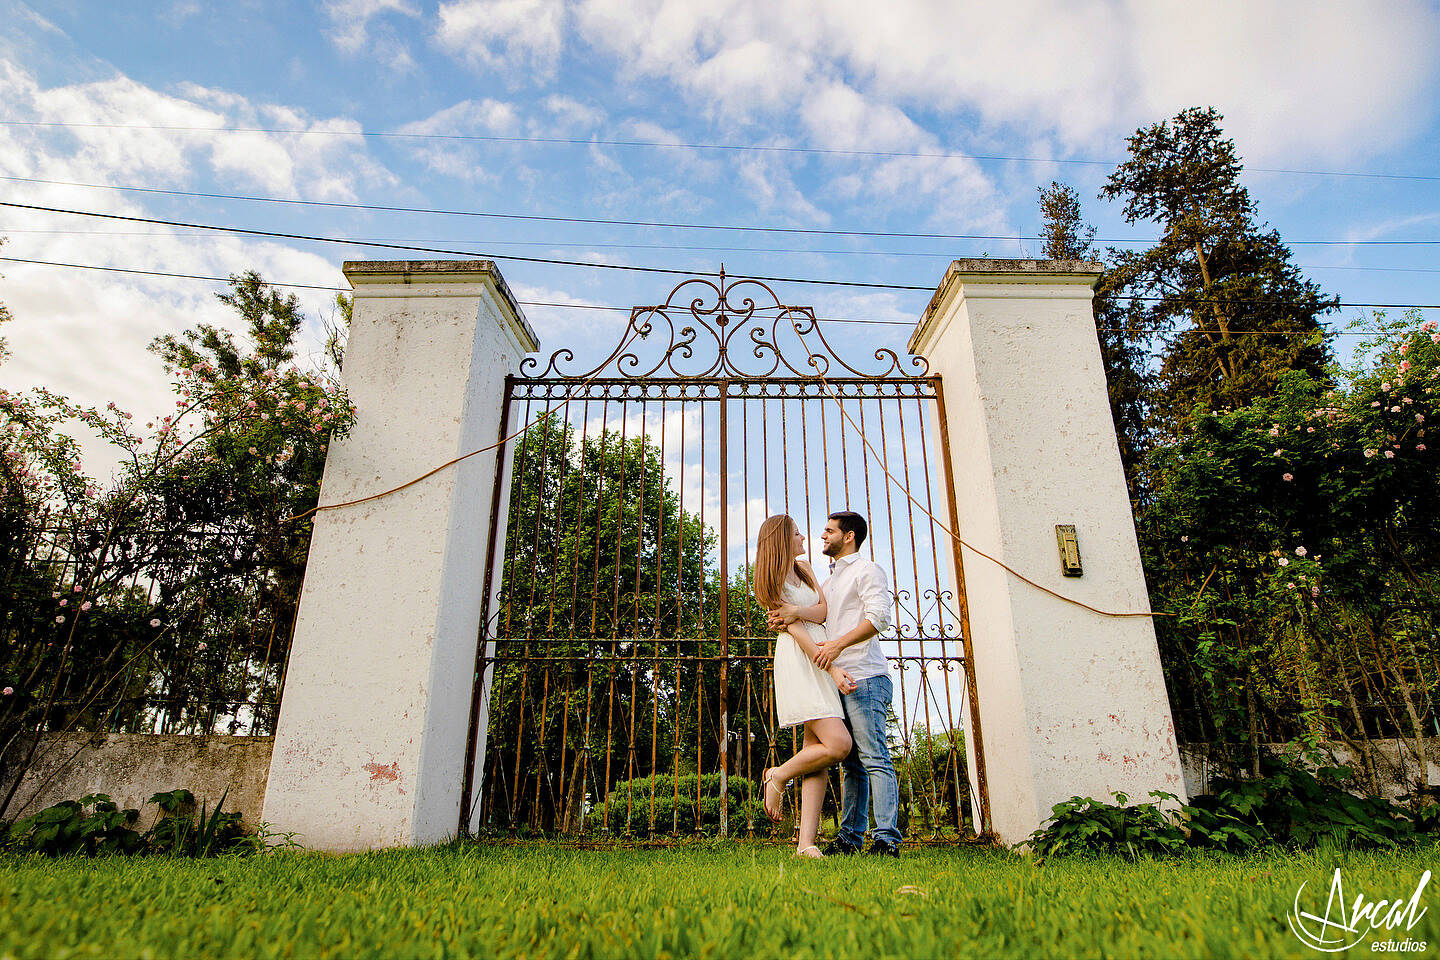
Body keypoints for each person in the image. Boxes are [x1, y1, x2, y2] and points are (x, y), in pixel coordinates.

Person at [768, 510, 901, 857]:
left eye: (829, 531)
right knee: (848, 762)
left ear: (849, 536)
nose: (820, 536)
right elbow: (818, 615)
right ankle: (849, 838)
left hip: (863, 673)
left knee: (872, 757)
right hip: (829, 675)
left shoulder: (866, 570)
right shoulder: (825, 580)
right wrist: (796, 617)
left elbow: (879, 616)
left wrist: (837, 645)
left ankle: (886, 837)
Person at [752, 513, 856, 858]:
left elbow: (823, 611)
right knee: (839, 744)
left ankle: (805, 844)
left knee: (818, 753)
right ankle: (777, 776)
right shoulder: (769, 580)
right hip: (801, 658)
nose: (803, 538)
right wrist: (830, 666)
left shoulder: (807, 568)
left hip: (820, 648)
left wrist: (798, 611)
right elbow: (792, 628)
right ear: (782, 538)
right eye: (797, 534)